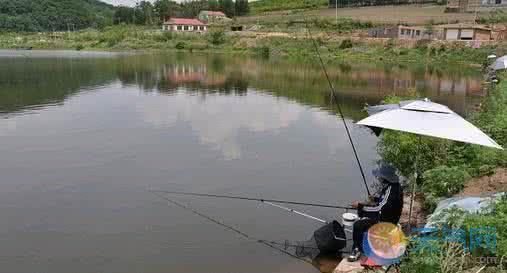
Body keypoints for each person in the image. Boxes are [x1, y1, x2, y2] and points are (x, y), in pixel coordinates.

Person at [348, 164, 404, 262]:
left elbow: (380, 209)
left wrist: (360, 206)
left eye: (381, 176)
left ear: (386, 177)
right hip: (389, 216)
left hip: (387, 220)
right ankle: (364, 243)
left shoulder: (391, 190)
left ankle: (357, 249)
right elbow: (386, 202)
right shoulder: (393, 186)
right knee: (364, 216)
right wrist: (374, 199)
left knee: (358, 225)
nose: (379, 177)